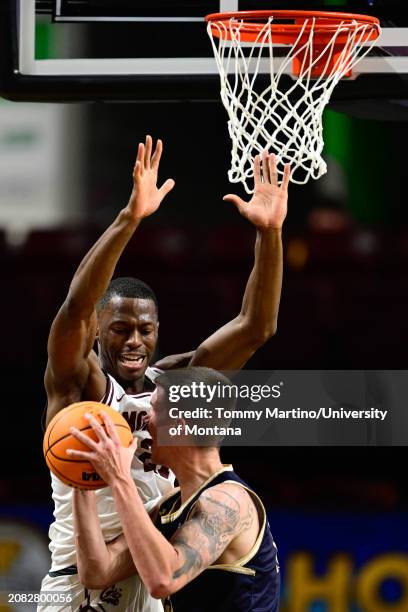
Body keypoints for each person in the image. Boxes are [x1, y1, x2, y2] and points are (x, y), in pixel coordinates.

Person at [40, 134, 290, 611]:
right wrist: (129, 218)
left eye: (145, 329)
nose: (134, 341)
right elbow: (74, 310)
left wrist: (270, 233)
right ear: (98, 333)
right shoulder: (81, 385)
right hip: (83, 581)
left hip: (159, 565)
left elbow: (256, 327)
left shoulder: (179, 386)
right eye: (119, 329)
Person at [69, 367, 280, 611]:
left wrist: (120, 478)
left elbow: (163, 579)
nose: (146, 419)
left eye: (155, 409)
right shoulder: (171, 505)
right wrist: (81, 479)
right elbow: (98, 571)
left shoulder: (229, 502)